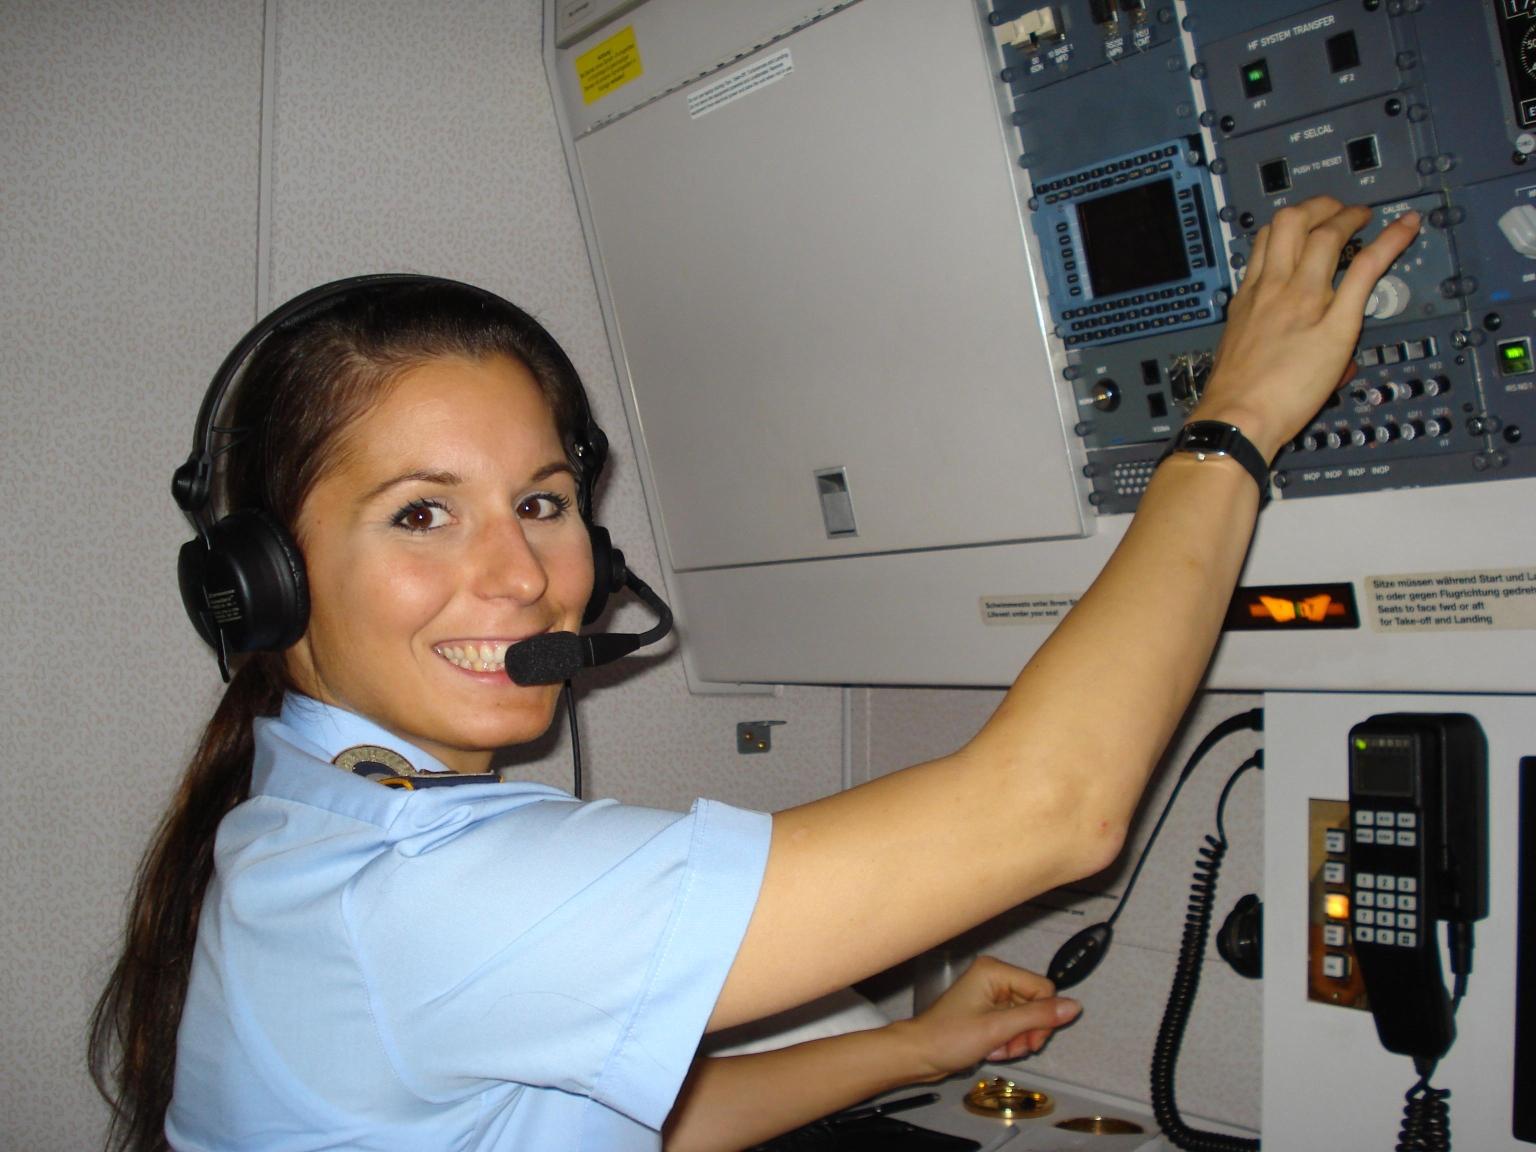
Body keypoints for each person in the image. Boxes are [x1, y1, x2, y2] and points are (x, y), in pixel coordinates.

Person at [89, 196, 1419, 1151]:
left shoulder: (307, 817)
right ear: (258, 577)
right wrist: (1235, 420)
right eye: (421, 513)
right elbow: (1052, 810)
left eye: (543, 504)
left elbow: (626, 1113)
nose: (519, 577)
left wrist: (914, 1047)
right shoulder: (411, 896)